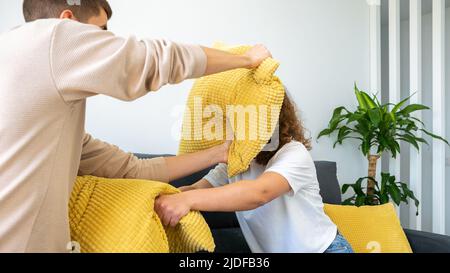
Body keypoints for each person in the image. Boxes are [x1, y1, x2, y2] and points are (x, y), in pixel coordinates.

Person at [0, 0, 272, 253]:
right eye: (100, 31)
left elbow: (132, 170)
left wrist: (218, 153)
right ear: (67, 22)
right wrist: (245, 60)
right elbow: (156, 58)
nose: (107, 41)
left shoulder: (40, 111)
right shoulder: (50, 39)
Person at [155, 94, 354, 253]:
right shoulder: (237, 161)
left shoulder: (294, 153)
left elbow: (260, 193)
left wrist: (188, 199)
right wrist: (167, 197)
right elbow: (198, 187)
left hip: (326, 249)